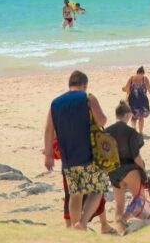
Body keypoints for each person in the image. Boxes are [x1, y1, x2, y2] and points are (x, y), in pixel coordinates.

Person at [43, 70, 109, 231]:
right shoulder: (88, 98)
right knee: (98, 189)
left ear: (70, 84)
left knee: (75, 193)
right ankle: (83, 222)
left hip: (68, 157)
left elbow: (48, 130)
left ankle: (75, 227)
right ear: (84, 84)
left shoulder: (55, 103)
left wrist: (49, 155)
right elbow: (102, 120)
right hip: (89, 155)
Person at [105, 101, 149, 231]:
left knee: (119, 203)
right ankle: (125, 217)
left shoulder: (107, 131)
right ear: (128, 115)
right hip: (129, 168)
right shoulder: (131, 132)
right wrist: (144, 173)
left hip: (113, 170)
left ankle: (120, 225)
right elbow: (136, 157)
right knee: (139, 198)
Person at [122, 67, 150, 135]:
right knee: (141, 117)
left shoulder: (131, 78)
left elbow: (126, 88)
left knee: (134, 116)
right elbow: (149, 89)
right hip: (143, 101)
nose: (141, 75)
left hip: (133, 101)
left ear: (137, 72)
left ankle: (134, 129)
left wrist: (124, 89)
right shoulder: (144, 78)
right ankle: (140, 132)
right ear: (143, 73)